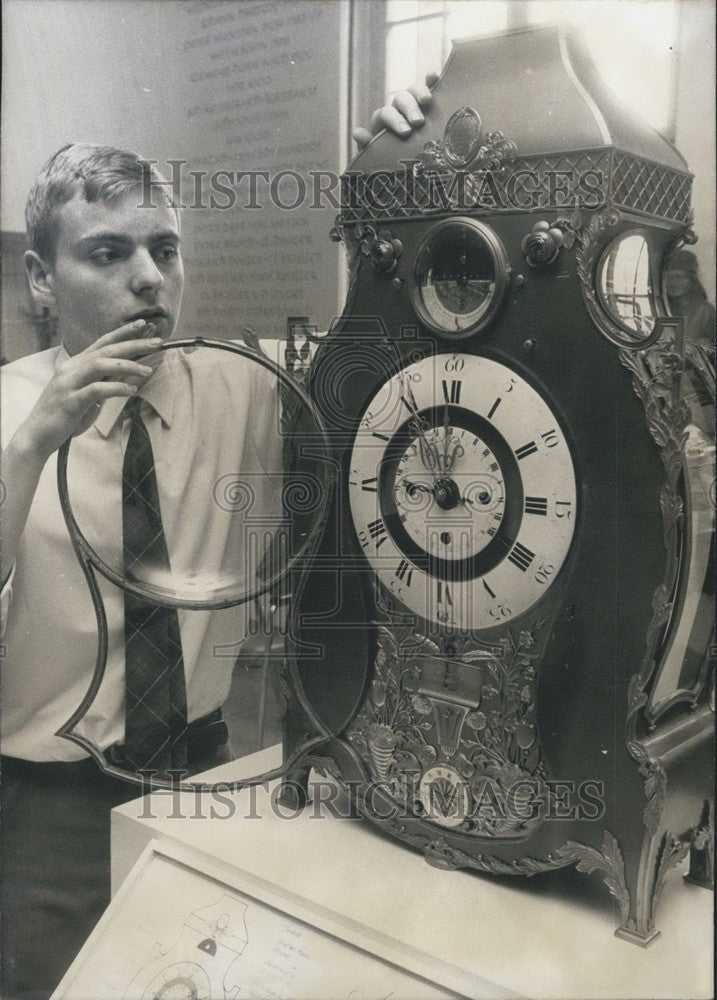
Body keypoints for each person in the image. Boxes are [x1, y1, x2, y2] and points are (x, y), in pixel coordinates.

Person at [0, 84, 433, 999]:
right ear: (42, 278)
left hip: (205, 774)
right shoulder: (7, 414)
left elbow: (387, 357)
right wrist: (31, 449)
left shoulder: (237, 387)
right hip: (44, 810)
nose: (149, 278)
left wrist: (401, 175)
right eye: (107, 253)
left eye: (163, 249)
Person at [664, 249, 716, 357]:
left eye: (678, 277)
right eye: (668, 278)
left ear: (691, 280)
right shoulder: (661, 307)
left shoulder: (704, 310)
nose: (673, 283)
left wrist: (699, 348)